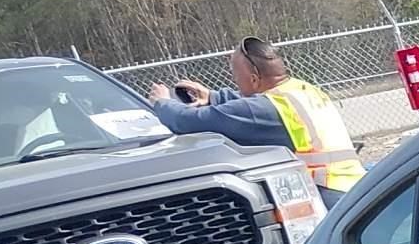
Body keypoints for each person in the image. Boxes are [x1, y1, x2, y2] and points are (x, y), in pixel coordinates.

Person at [147, 36, 364, 196]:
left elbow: (188, 121)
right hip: (352, 183)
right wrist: (213, 96)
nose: (235, 82)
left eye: (236, 76)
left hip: (326, 192)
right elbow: (251, 103)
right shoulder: (300, 90)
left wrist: (162, 102)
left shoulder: (264, 109)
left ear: (253, 79)